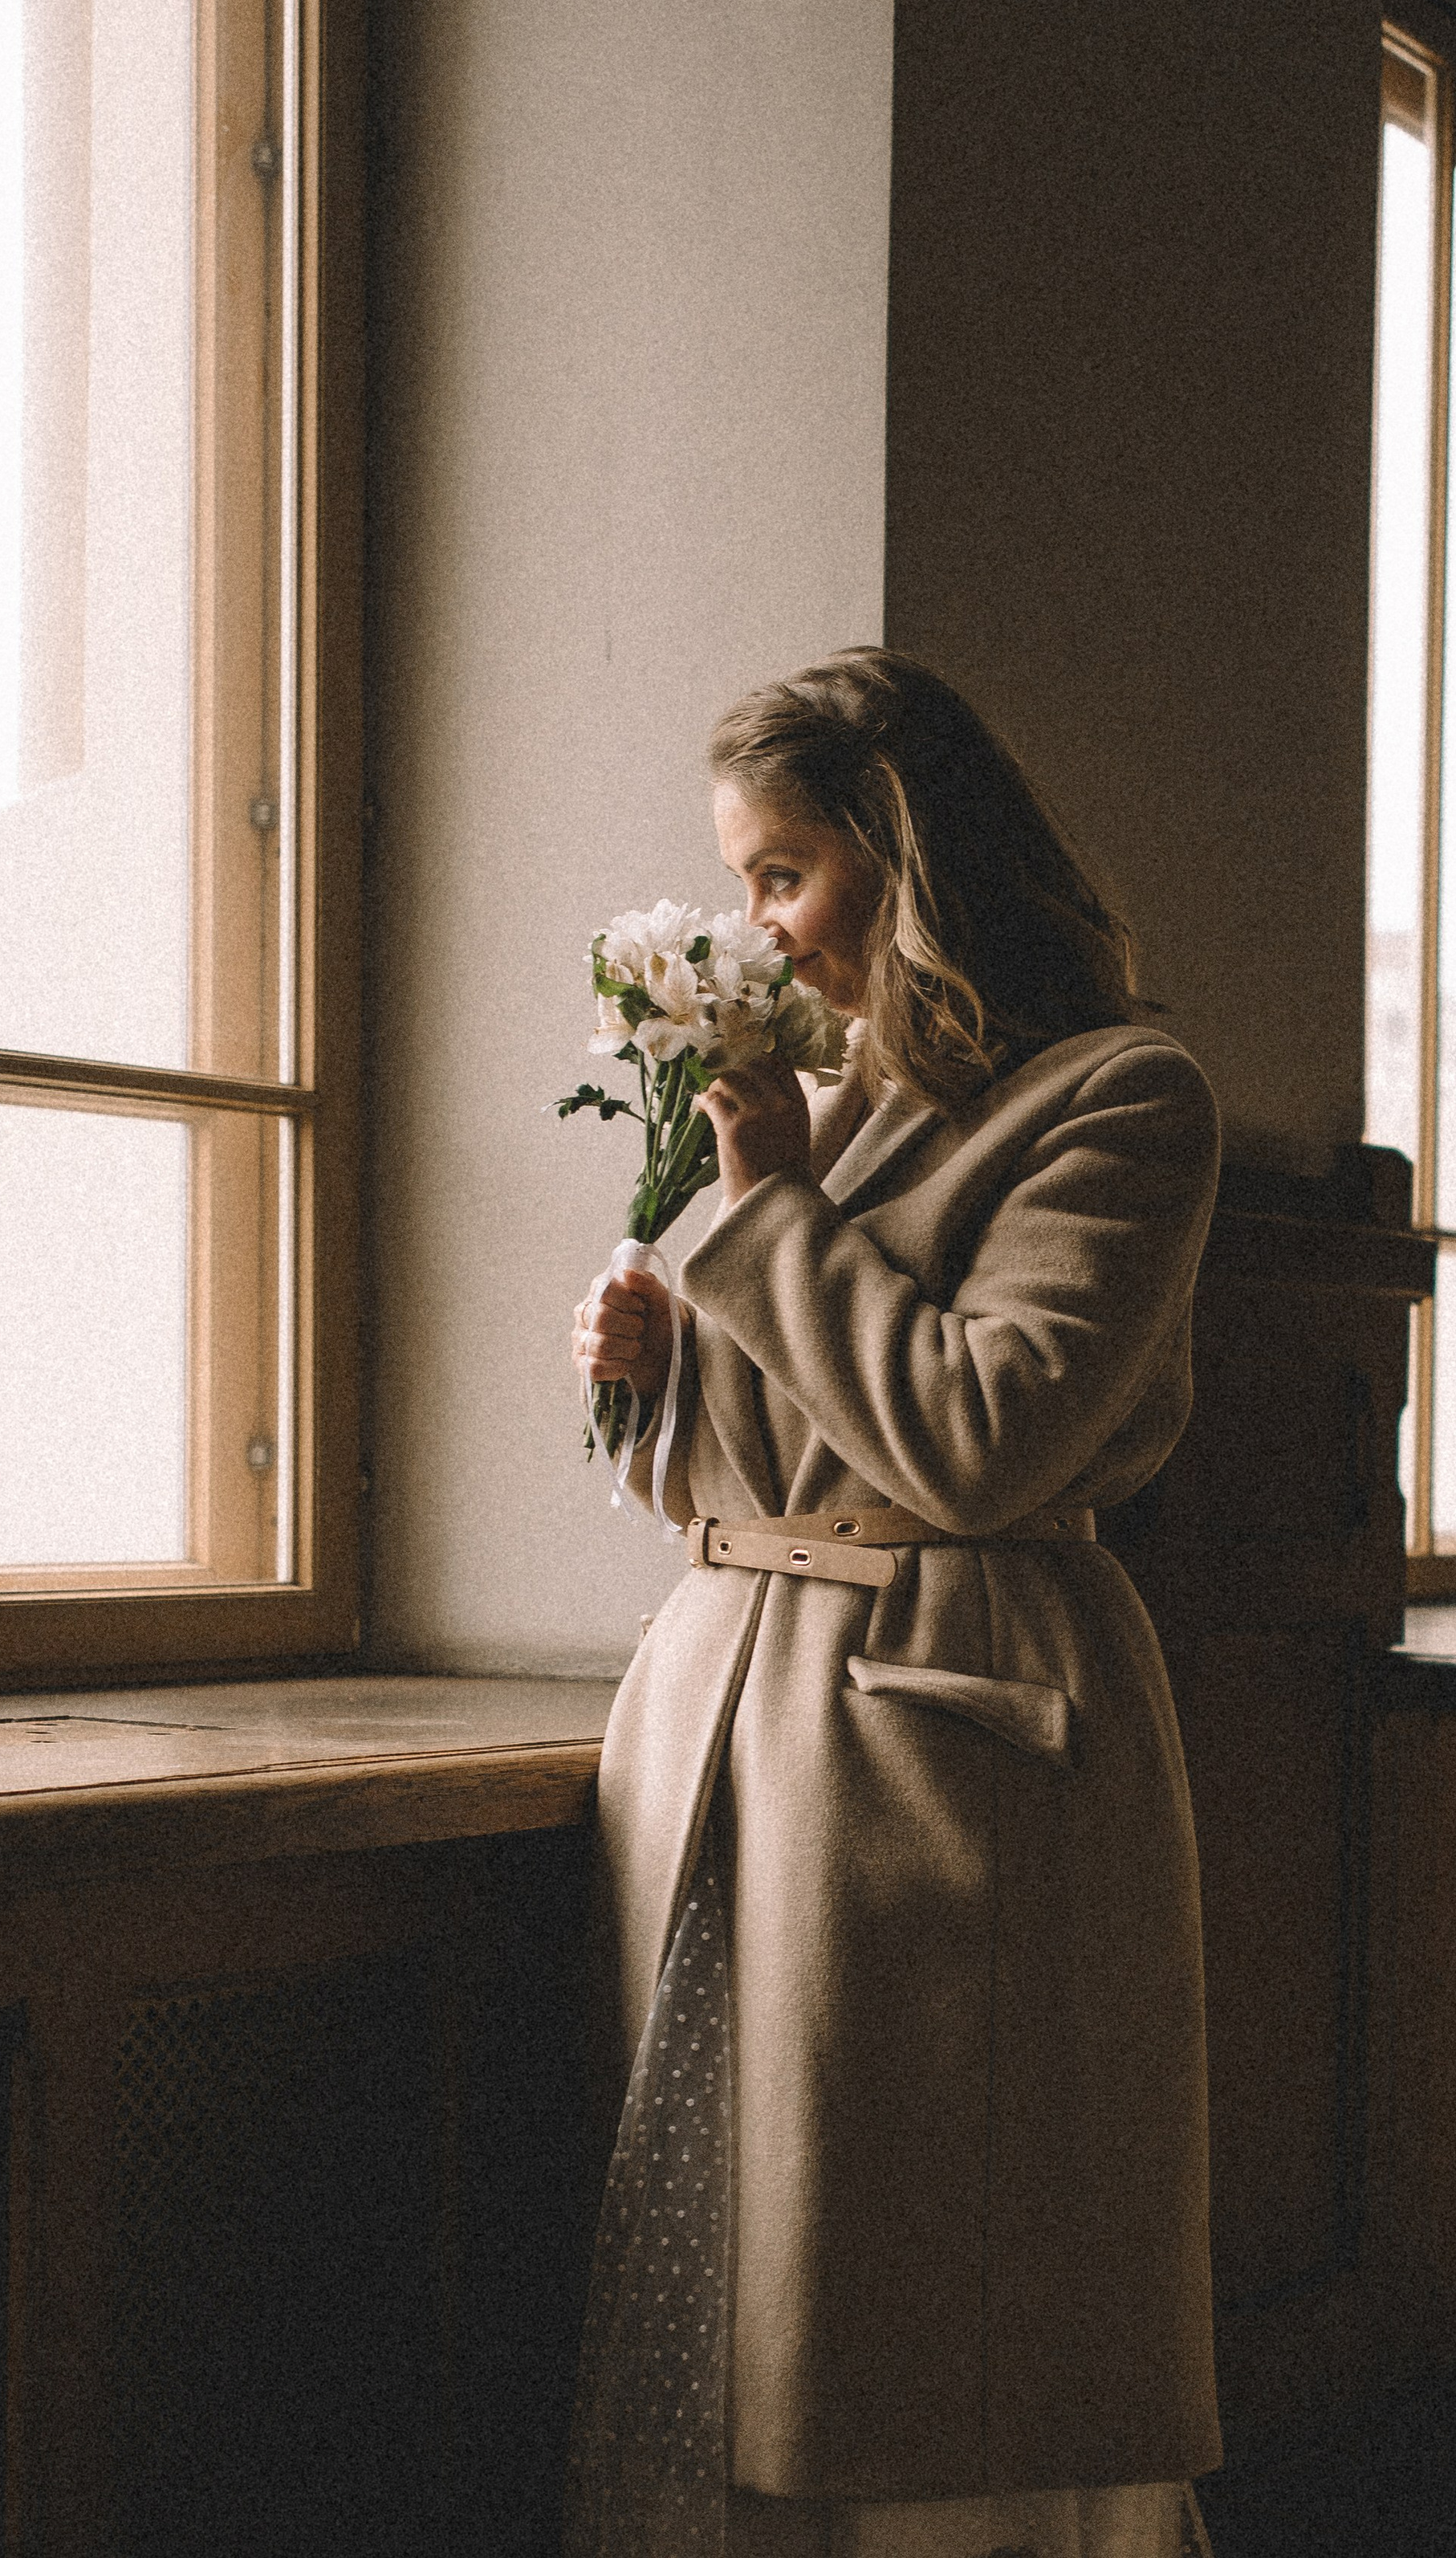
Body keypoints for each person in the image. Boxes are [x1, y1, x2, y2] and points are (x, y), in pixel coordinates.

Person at [564, 650, 1222, 2558]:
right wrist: (642, 1379)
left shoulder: (1120, 1101)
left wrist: (766, 1212)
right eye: (741, 882)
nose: (758, 928)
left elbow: (980, 1440)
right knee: (730, 2286)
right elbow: (751, 1461)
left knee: (949, 2304)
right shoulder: (812, 1104)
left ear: (900, 851)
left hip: (948, 1759)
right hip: (717, 1739)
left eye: (783, 875)